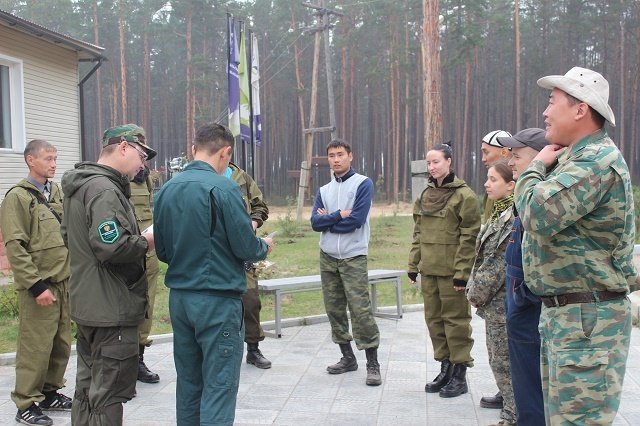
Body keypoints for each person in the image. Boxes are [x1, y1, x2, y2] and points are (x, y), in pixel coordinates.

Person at [515, 67, 636, 425]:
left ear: (581, 110)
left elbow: (536, 213)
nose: (545, 112)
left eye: (553, 102)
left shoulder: (595, 161)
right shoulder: (574, 158)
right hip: (570, 316)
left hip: (586, 321)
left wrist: (534, 166)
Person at [154, 123, 272, 426]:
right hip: (217, 301)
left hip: (181, 300)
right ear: (225, 152)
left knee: (189, 382)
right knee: (219, 385)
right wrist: (264, 246)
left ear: (194, 149)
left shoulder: (166, 190)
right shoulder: (225, 188)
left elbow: (163, 251)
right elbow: (245, 245)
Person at [61, 124, 156, 425]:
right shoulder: (103, 189)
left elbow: (70, 237)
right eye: (142, 155)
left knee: (87, 390)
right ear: (124, 147)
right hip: (111, 309)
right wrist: (147, 240)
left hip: (90, 305)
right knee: (108, 396)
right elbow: (111, 247)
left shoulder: (82, 186)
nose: (143, 164)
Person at [1, 140, 72, 426]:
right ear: (31, 160)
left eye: (56, 158)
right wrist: (35, 286)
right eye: (48, 159)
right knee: (35, 346)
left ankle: (50, 391)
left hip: (62, 281)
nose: (54, 164)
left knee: (60, 343)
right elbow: (15, 246)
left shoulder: (55, 192)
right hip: (40, 286)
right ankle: (26, 403)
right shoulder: (18, 197)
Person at [407, 142, 480, 398]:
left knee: (456, 322)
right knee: (435, 322)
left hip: (452, 274)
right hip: (430, 270)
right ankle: (445, 367)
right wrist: (413, 265)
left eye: (436, 162)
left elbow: (469, 237)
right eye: (428, 163)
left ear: (449, 161)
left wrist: (462, 273)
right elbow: (418, 233)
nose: (432, 167)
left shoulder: (464, 196)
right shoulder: (425, 195)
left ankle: (460, 374)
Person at [310, 138, 382, 387]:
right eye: (331, 155)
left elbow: (357, 220)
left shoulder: (363, 184)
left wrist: (328, 221)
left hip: (353, 256)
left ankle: (372, 362)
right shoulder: (324, 191)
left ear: (350, 156)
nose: (336, 159)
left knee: (360, 310)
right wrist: (338, 215)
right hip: (327, 256)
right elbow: (314, 223)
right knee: (334, 308)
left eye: (340, 154)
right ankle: (347, 357)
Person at [498, 128, 549, 426]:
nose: (511, 163)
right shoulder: (522, 194)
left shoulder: (546, 198)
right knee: (525, 389)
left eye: (517, 156)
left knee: (535, 387)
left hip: (532, 308)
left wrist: (523, 295)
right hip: (519, 308)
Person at [466, 160, 516, 425]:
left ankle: (512, 415)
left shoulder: (512, 217)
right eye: (487, 178)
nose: (487, 184)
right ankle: (511, 410)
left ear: (511, 185)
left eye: (493, 179)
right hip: (495, 306)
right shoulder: (499, 213)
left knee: (505, 364)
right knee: (499, 361)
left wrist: (474, 293)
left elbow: (497, 263)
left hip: (503, 305)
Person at [225, 162, 272, 369]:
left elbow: (260, 205)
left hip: (243, 250)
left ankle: (253, 348)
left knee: (250, 299)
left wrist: (252, 223)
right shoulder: (200, 176)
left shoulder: (241, 176)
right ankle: (223, 351)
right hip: (215, 251)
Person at [130, 166, 161, 383]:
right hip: (124, 256)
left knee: (146, 310)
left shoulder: (144, 178)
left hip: (147, 256)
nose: (142, 160)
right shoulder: (109, 179)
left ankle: (138, 360)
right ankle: (124, 363)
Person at [480, 130, 512, 225]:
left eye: (486, 152)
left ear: (504, 152)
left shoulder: (519, 187)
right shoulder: (491, 187)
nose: (483, 159)